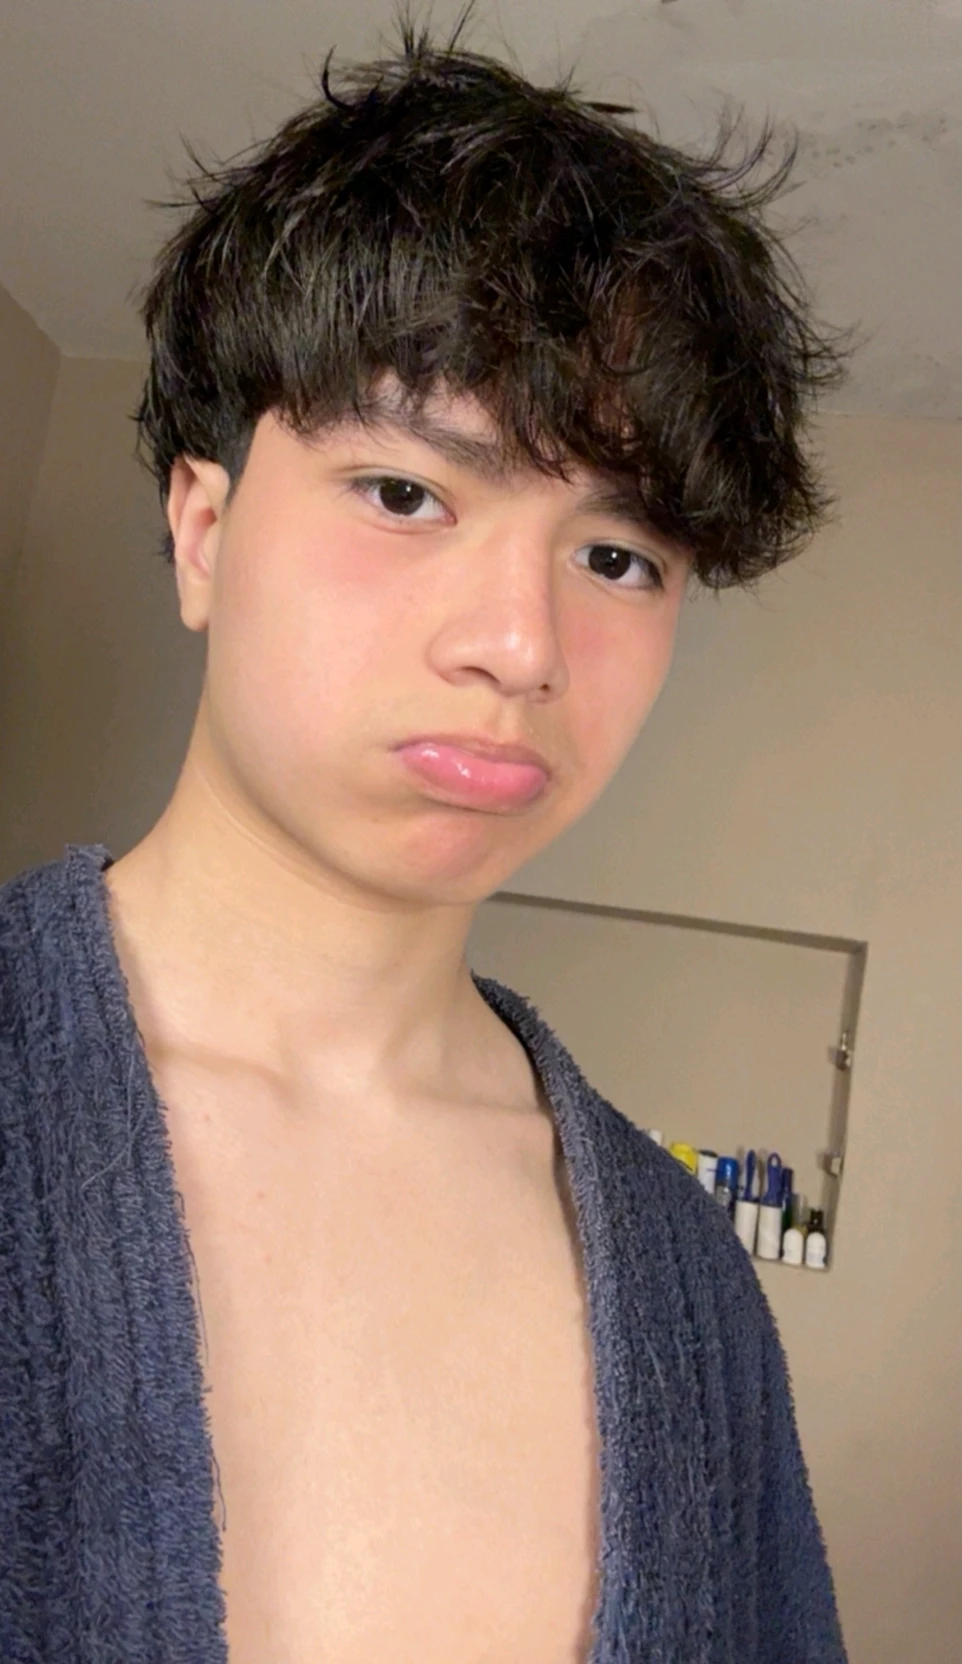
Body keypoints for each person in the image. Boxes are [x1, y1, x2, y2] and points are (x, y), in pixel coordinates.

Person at [0, 22, 850, 1664]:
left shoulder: (690, 1288)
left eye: (616, 559)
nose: (519, 646)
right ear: (203, 529)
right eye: (405, 495)